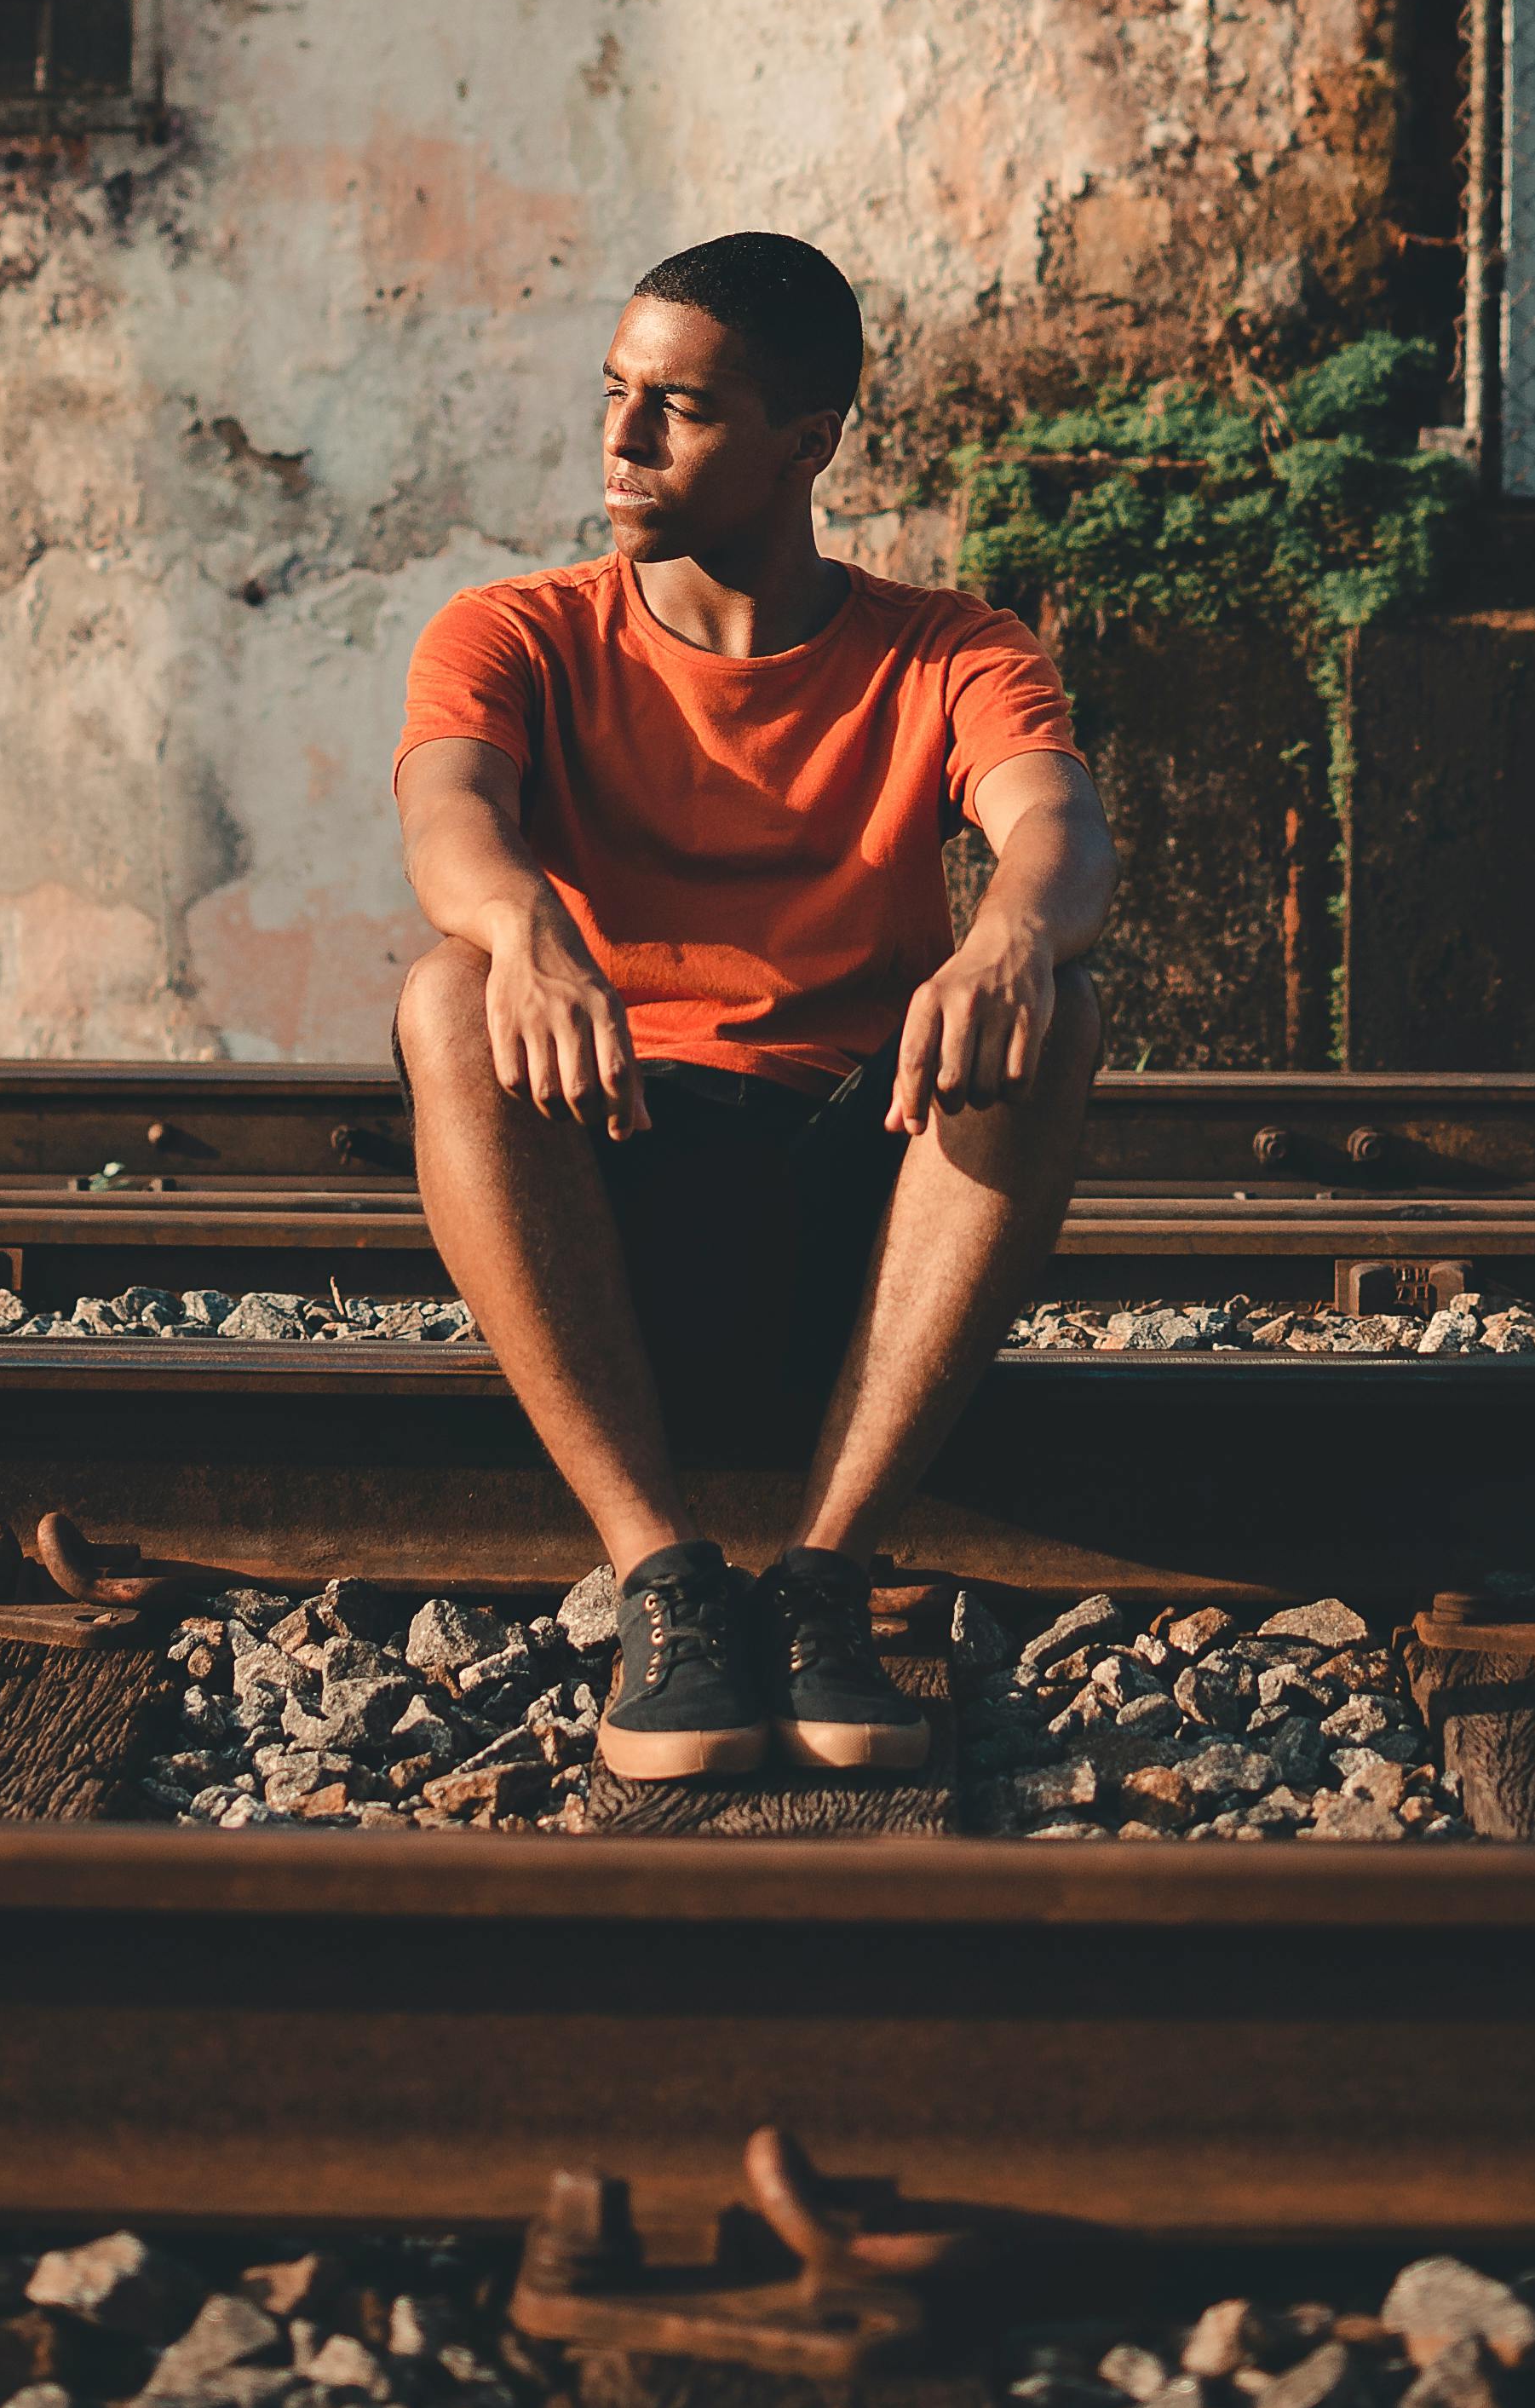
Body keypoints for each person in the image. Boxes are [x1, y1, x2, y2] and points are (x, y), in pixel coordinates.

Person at [392, 231, 1118, 1785]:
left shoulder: (950, 648)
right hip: (619, 1172)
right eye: (615, 394)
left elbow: (1058, 829)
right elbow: (452, 812)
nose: (625, 439)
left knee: (1056, 996)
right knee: (452, 992)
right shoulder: (514, 630)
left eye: (684, 407)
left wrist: (1004, 940)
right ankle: (664, 1583)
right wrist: (523, 920)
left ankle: (825, 1579)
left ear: (809, 441)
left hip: (857, 1195)